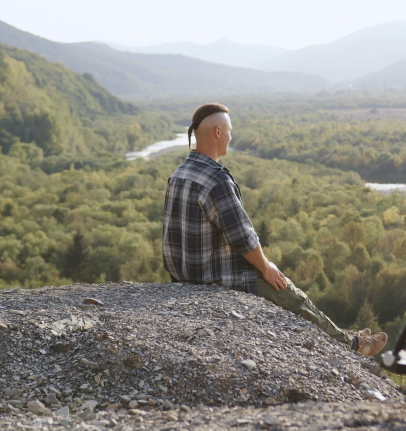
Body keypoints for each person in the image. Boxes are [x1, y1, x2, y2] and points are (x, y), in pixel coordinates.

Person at [161, 103, 387, 357]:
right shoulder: (217, 180)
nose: (231, 136)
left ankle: (343, 333)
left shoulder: (179, 173)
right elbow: (242, 239)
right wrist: (266, 268)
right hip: (209, 275)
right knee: (289, 292)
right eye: (230, 131)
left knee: (279, 281)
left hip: (183, 273)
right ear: (217, 132)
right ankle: (354, 346)